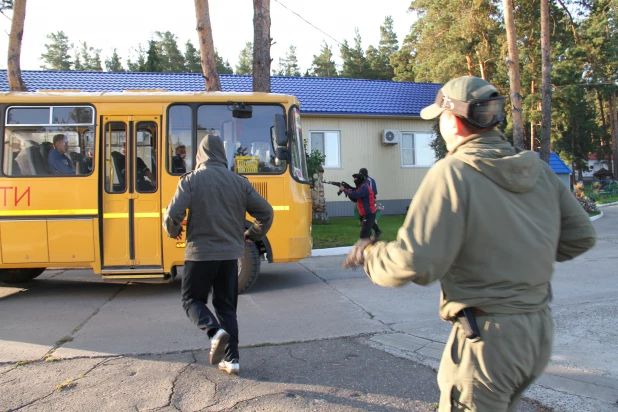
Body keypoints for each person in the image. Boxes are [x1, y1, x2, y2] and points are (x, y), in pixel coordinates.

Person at [343, 76, 596, 411]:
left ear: (453, 122)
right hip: (538, 333)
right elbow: (580, 238)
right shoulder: (537, 170)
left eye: (440, 120)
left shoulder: (452, 172)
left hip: (488, 342)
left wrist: (372, 255)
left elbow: (415, 262)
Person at [163, 134, 273, 375]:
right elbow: (266, 213)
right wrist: (253, 233)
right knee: (226, 307)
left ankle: (214, 332)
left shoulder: (191, 180)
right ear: (223, 155)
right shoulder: (239, 182)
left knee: (191, 301)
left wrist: (174, 231)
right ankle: (232, 360)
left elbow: (173, 215)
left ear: (200, 155)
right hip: (230, 256)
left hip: (199, 255)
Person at [340, 173, 377, 240]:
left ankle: (373, 246)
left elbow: (355, 194)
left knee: (364, 235)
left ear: (360, 179)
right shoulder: (361, 186)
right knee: (368, 234)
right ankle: (373, 247)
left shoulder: (364, 187)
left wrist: (345, 190)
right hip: (365, 214)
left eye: (355, 179)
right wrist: (347, 189)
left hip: (369, 213)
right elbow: (354, 197)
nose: (354, 180)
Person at [359, 168, 382, 239]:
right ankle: (373, 232)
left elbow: (371, 191)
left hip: (369, 200)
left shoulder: (369, 180)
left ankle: (375, 231)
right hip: (366, 200)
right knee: (364, 217)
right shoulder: (366, 180)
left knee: (368, 217)